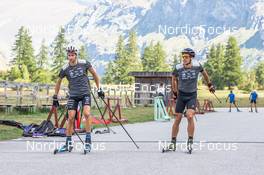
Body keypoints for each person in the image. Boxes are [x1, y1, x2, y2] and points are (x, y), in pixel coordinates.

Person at [53, 46, 104, 154]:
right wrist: (55, 96)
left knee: (86, 113)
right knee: (71, 117)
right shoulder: (65, 68)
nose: (70, 57)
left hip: (85, 93)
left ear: (76, 55)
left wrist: (99, 88)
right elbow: (58, 82)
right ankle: (68, 144)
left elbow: (95, 74)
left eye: (72, 55)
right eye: (69, 55)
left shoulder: (84, 63)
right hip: (73, 95)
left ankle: (88, 141)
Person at [164, 48, 215, 153]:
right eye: (183, 57)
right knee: (177, 118)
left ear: (191, 58)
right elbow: (173, 78)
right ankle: (173, 144)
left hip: (192, 95)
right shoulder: (178, 67)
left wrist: (209, 85)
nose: (184, 59)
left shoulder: (197, 66)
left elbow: (204, 74)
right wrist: (174, 92)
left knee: (189, 115)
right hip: (181, 95)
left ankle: (190, 141)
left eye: (186, 57)